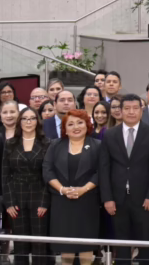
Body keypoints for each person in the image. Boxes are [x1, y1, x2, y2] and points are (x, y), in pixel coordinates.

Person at [100, 94, 149, 265]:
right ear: (120, 111)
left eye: (135, 108)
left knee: (145, 242)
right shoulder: (110, 134)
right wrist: (107, 198)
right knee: (121, 244)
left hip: (144, 198)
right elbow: (104, 168)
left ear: (141, 110)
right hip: (117, 198)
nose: (131, 112)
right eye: (126, 108)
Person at [44, 109, 101, 265]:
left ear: (87, 125)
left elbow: (100, 172)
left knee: (86, 248)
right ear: (65, 129)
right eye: (70, 124)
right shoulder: (55, 145)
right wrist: (62, 189)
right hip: (62, 202)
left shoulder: (97, 145)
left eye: (80, 122)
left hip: (87, 202)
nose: (76, 127)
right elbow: (47, 170)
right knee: (66, 249)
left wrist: (83, 189)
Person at [3, 107, 51, 265]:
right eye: (25, 118)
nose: (29, 122)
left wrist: (44, 202)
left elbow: (48, 175)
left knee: (39, 243)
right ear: (19, 122)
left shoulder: (47, 143)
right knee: (20, 244)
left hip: (39, 196)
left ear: (38, 121)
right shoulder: (10, 144)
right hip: (16, 198)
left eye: (32, 118)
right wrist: (9, 202)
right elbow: (5, 175)